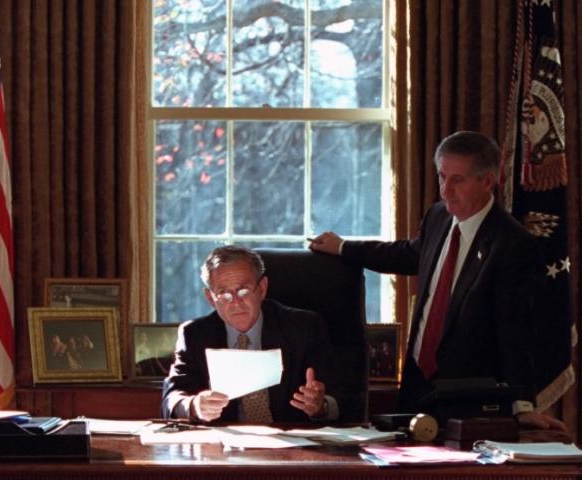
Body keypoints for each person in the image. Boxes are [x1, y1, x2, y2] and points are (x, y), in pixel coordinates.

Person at [309, 131, 566, 432]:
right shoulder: (438, 217)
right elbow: (408, 254)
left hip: (467, 400)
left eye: (458, 180)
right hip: (416, 388)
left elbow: (516, 333)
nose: (446, 190)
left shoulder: (512, 244)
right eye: (442, 177)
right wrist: (344, 248)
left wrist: (523, 405)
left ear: (487, 181)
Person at [161, 245, 347, 423]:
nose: (235, 302)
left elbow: (343, 397)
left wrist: (320, 406)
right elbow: (171, 399)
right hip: (224, 448)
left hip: (292, 446)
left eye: (243, 291)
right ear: (210, 298)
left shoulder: (303, 328)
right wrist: (194, 406)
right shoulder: (195, 335)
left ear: (262, 288)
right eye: (224, 294)